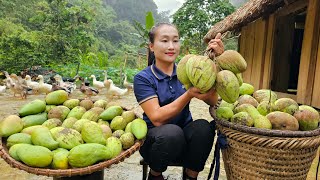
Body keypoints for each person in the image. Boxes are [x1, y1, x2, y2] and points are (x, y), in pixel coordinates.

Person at [133, 22, 224, 180]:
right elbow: (157, 118)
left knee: (203, 127)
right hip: (156, 144)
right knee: (172, 133)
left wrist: (217, 61)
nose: (171, 46)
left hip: (185, 140)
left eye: (175, 40)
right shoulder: (143, 78)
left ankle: (190, 177)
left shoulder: (188, 71)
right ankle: (155, 175)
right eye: (164, 40)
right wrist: (189, 94)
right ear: (152, 46)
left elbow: (214, 101)